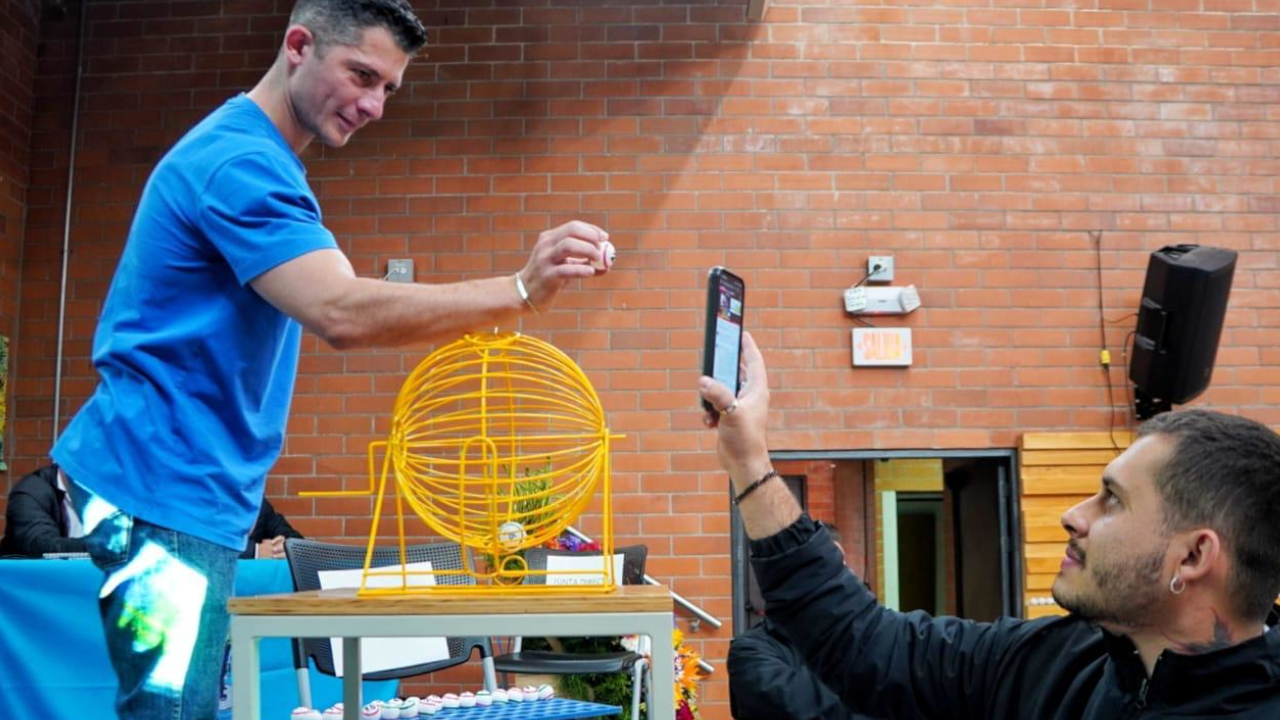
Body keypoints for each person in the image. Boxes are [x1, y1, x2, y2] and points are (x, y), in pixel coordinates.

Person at [49, 1, 611, 717]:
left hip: (178, 491)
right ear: (298, 45)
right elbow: (340, 312)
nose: (374, 105)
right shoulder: (240, 164)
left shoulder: (255, 159)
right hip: (160, 489)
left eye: (389, 89)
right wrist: (520, 290)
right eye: (361, 75)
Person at [699, 332, 1280, 719]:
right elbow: (868, 645)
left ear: (1194, 557)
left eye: (1113, 501)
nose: (1073, 515)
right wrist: (750, 464)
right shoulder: (1065, 659)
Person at [728, 527, 877, 720]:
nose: (842, 580)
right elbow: (803, 709)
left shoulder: (855, 639)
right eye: (827, 570)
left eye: (842, 568)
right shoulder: (751, 652)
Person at [0, 463, 86, 558]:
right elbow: (41, 545)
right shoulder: (31, 490)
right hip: (29, 571)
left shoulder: (101, 493)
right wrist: (99, 545)